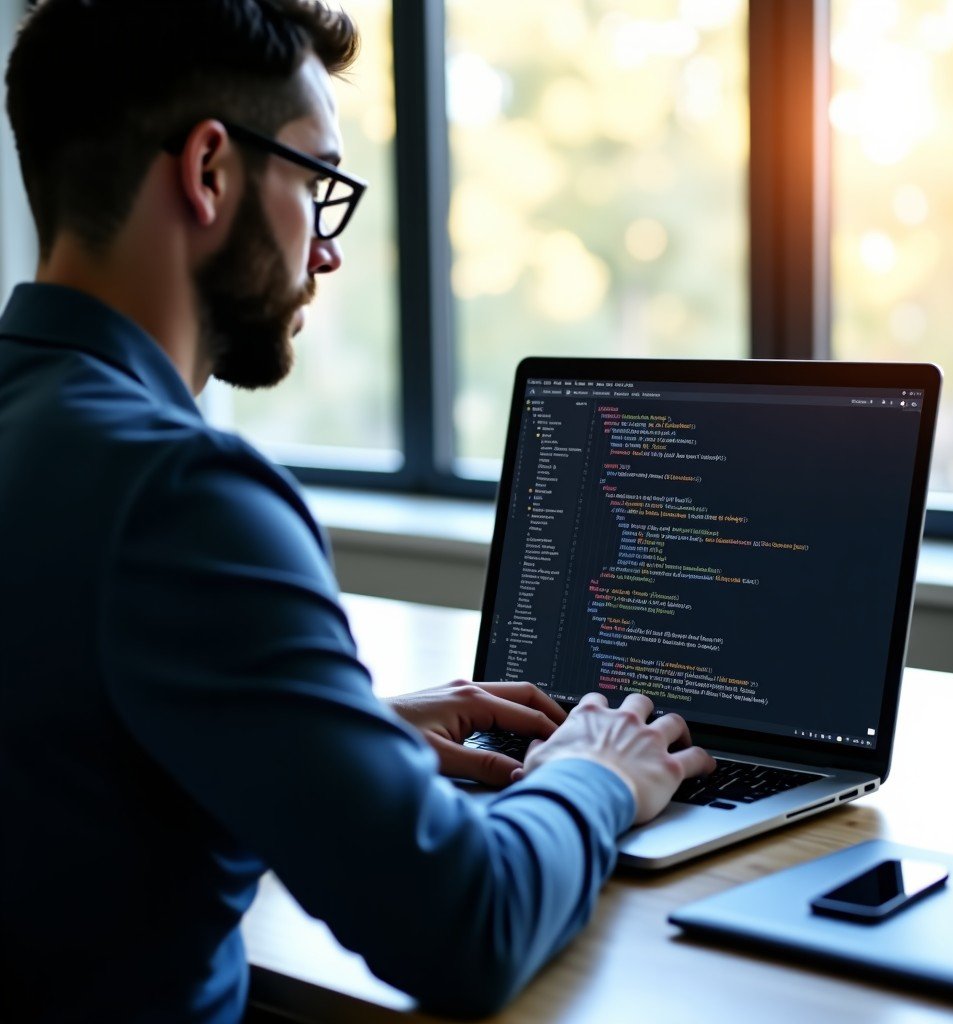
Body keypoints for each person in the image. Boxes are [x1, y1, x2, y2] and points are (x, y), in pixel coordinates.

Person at [0, 2, 715, 1022]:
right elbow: (465, 927)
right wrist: (595, 774)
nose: (326, 253)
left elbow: (58, 748)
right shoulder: (182, 494)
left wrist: (336, 737)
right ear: (210, 171)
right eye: (316, 184)